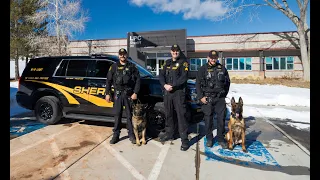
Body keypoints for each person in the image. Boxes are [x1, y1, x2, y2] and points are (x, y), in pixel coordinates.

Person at [195, 50, 230, 148]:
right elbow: (197, 84)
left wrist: (223, 95)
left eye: (215, 58)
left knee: (221, 120)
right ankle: (209, 139)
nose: (213, 59)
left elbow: (227, 83)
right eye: (211, 57)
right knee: (208, 120)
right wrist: (201, 96)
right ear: (208, 58)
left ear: (217, 58)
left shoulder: (222, 69)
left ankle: (220, 139)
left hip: (220, 99)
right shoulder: (202, 69)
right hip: (207, 99)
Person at [105, 48, 141, 144]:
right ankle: (116, 135)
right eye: (121, 54)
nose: (122, 56)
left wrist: (135, 93)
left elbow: (138, 80)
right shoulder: (114, 67)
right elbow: (108, 80)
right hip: (117, 94)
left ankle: (131, 135)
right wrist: (107, 93)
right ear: (119, 55)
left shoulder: (132, 66)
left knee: (129, 116)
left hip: (128, 94)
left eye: (124, 54)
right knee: (117, 115)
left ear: (126, 55)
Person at [158, 44, 190, 151]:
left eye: (177, 51)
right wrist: (164, 85)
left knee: (181, 116)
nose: (175, 52)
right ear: (170, 52)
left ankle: (184, 140)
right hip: (168, 93)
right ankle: (169, 133)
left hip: (178, 93)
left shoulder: (183, 62)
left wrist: (173, 85)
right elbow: (161, 75)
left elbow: (184, 77)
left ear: (179, 52)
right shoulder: (167, 62)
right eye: (173, 51)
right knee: (169, 114)